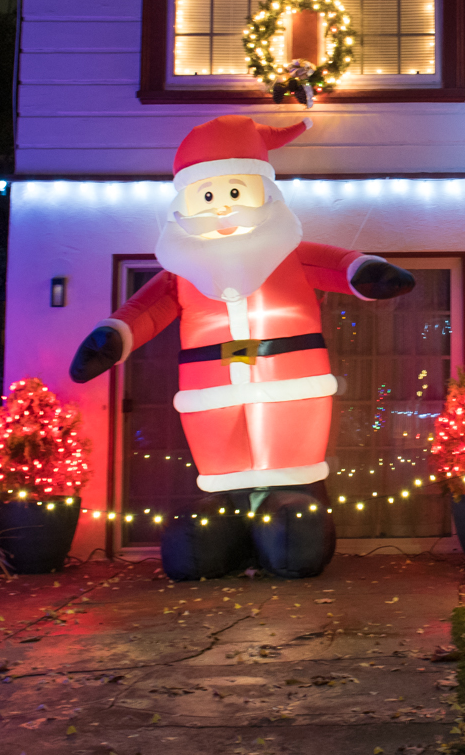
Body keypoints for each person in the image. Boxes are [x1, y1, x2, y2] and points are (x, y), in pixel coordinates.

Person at [67, 115, 413, 578]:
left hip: (290, 386)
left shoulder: (288, 254)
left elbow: (337, 266)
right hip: (210, 394)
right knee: (217, 492)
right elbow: (144, 312)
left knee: (293, 495)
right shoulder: (182, 273)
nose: (223, 210)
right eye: (208, 197)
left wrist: (366, 273)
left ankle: (292, 513)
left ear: (263, 192)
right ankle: (222, 525)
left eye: (234, 192)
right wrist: (113, 338)